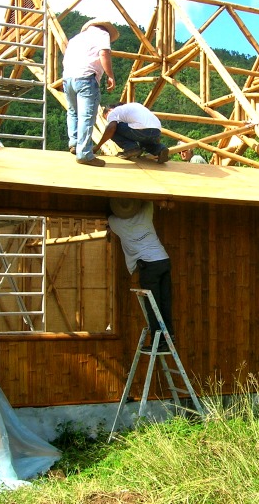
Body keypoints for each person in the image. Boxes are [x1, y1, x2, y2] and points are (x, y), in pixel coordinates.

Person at [107, 198, 174, 351]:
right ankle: (170, 337)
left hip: (149, 266)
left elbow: (109, 217)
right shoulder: (145, 212)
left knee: (152, 304)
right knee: (165, 301)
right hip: (163, 259)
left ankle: (158, 343)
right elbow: (149, 200)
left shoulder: (116, 222)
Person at [62, 18, 120, 167]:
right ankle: (85, 154)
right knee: (86, 116)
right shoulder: (102, 34)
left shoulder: (76, 39)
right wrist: (110, 75)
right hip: (87, 78)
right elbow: (104, 54)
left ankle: (74, 143)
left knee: (73, 112)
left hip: (68, 78)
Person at [94, 102, 169, 163]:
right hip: (157, 130)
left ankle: (131, 148)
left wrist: (98, 146)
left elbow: (111, 128)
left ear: (109, 111)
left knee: (110, 128)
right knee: (144, 141)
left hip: (140, 130)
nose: (108, 119)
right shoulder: (135, 105)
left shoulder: (113, 112)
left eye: (106, 118)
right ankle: (160, 149)